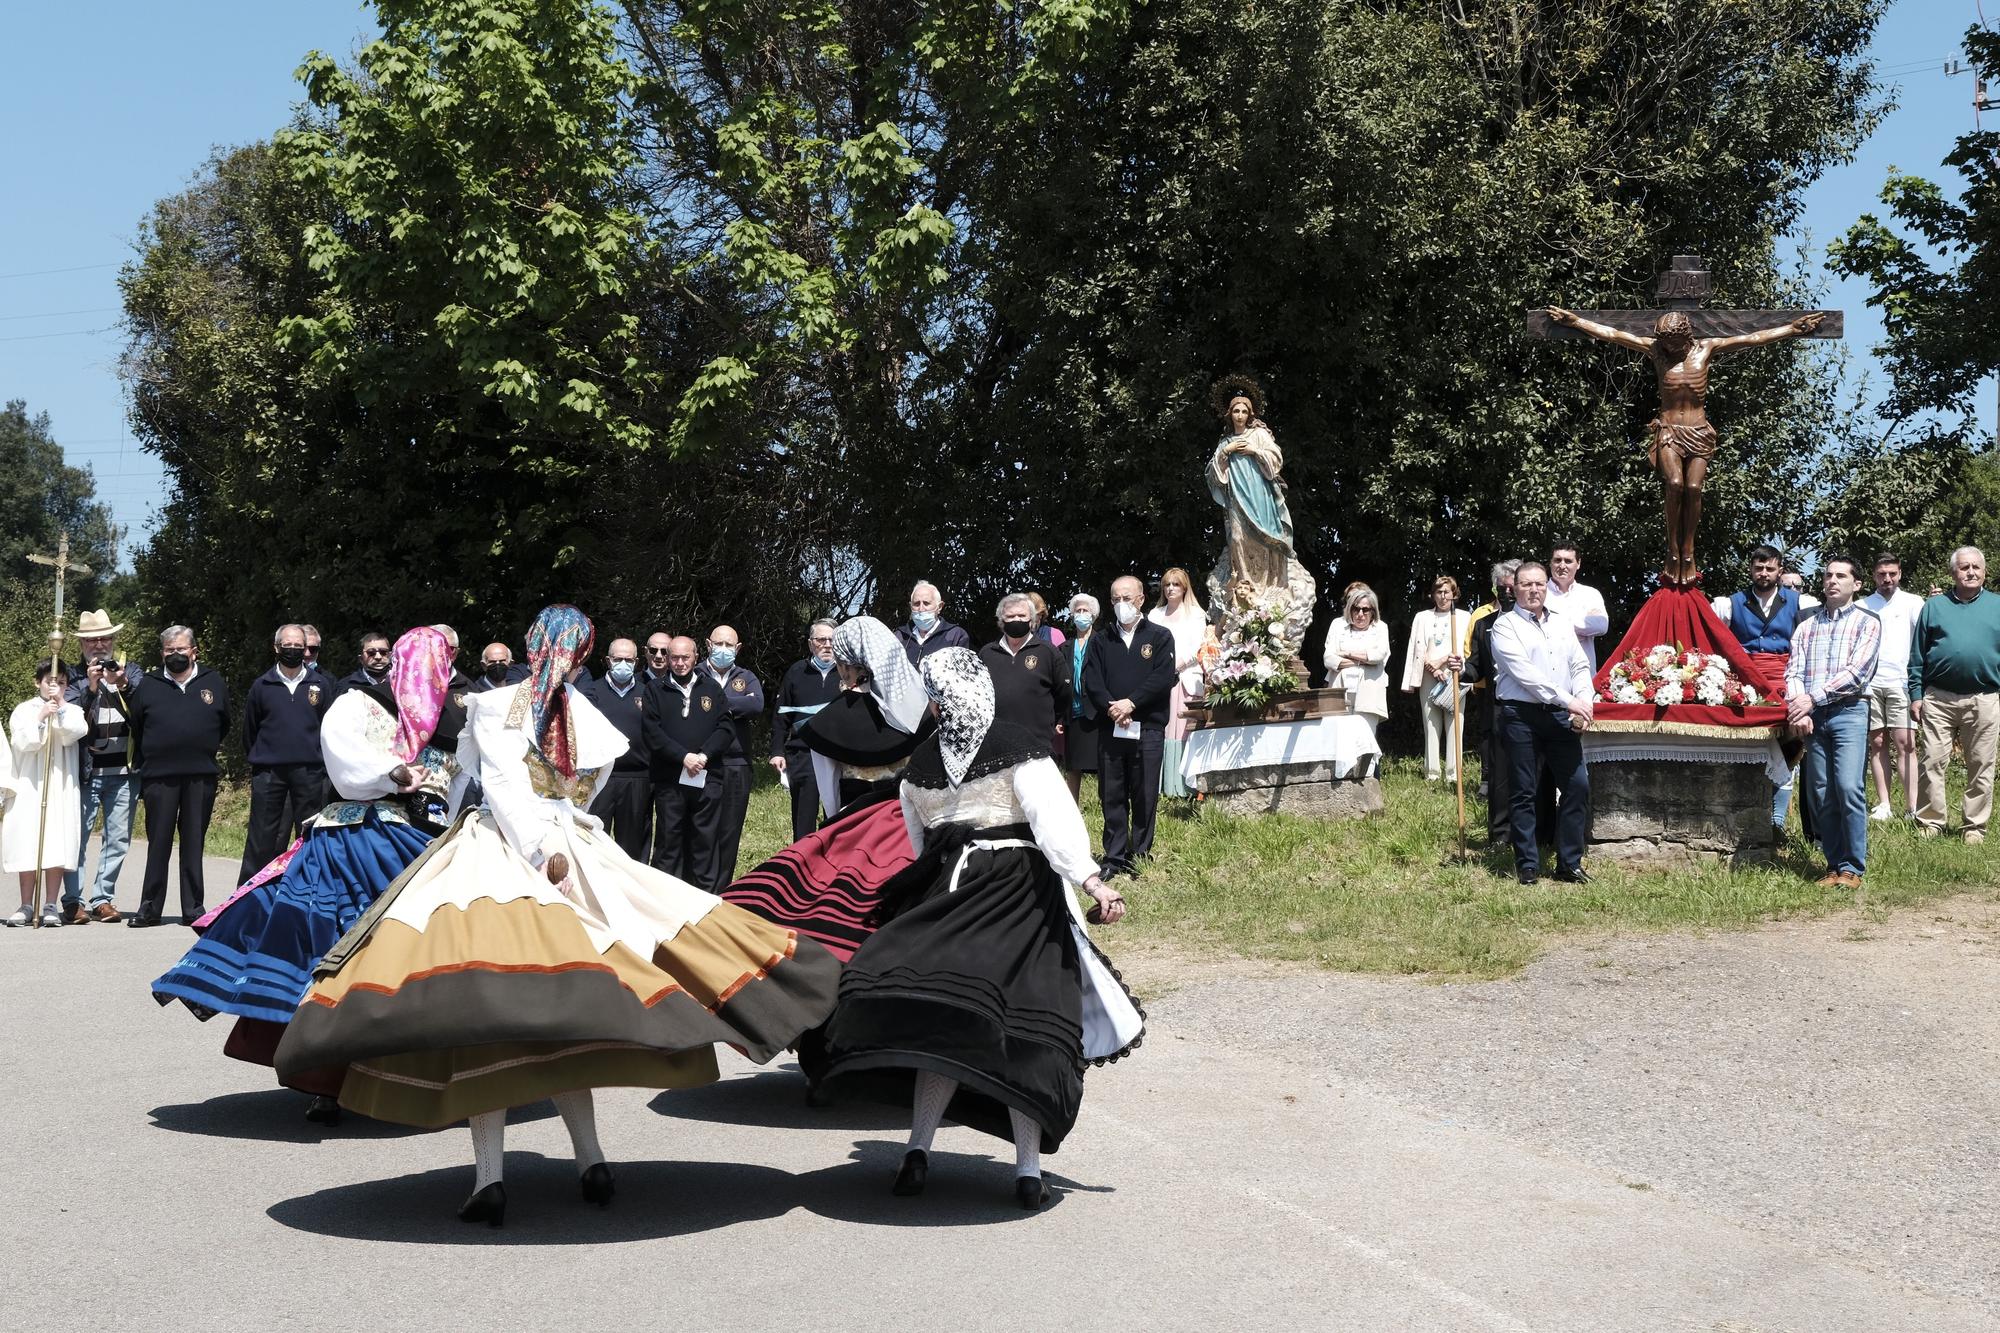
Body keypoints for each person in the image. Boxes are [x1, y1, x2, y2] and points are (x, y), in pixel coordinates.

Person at [273, 605, 840, 1225]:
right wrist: (558, 837)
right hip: (555, 849)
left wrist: (544, 843)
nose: (564, 659)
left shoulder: (515, 710)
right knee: (560, 1009)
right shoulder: (557, 712)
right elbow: (556, 791)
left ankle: (509, 1175)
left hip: (515, 855)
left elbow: (500, 790)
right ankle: (584, 1162)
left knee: (497, 1012)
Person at [818, 647, 1142, 1209]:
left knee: (944, 1028)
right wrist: (1092, 881)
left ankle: (917, 1151)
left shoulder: (919, 764)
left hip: (947, 894)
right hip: (1017, 893)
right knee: (1025, 1030)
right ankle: (1026, 1171)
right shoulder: (1019, 748)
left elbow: (921, 846)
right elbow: (1053, 825)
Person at [152, 626, 461, 1122]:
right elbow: (344, 760)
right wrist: (396, 774)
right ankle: (327, 1078)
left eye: (443, 663)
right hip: (359, 835)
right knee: (331, 947)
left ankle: (422, 1076)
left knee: (431, 954)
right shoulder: (358, 702)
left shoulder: (452, 717)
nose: (436, 674)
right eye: (430, 662)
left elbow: (466, 780)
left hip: (428, 840)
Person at [1489, 561, 1594, 885]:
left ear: (1546, 587)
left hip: (1560, 717)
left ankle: (1569, 863)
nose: (1533, 590)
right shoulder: (1504, 626)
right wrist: (1569, 700)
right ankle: (1528, 865)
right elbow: (1526, 675)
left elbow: (1579, 664)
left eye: (1539, 584)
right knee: (1524, 791)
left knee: (1578, 785)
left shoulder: (1561, 624)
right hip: (1521, 715)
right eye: (1526, 584)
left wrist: (1585, 702)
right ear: (1514, 589)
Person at [1785, 558, 1881, 887]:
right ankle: (1833, 864)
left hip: (1849, 711)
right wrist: (1799, 709)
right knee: (1821, 791)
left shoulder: (1868, 623)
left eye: (1841, 576)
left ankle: (1853, 867)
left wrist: (1811, 699)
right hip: (1814, 717)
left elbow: (1857, 673)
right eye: (1828, 575)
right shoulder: (1806, 626)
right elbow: (1793, 672)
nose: (1832, 581)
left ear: (1856, 584)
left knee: (1848, 787)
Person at [125, 626, 231, 927]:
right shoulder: (149, 684)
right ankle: (149, 908)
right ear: (162, 653)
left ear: (194, 650)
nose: (175, 655)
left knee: (194, 841)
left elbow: (225, 722)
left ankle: (194, 909)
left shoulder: (212, 681)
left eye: (181, 649)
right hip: (160, 776)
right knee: (158, 842)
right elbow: (138, 725)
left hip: (200, 775)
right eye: (169, 650)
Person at [1083, 575, 1176, 880]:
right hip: (1111, 728)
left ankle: (1140, 853)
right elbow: (1092, 680)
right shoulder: (1100, 640)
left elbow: (1162, 678)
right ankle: (1114, 856)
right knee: (1112, 792)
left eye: (1127, 598)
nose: (1121, 604)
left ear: (1141, 600)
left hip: (1147, 727)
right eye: (1116, 599)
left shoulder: (1160, 637)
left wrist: (1131, 703)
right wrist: (1113, 707)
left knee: (1145, 792)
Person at [1714, 544, 1810, 833]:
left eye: (1770, 568)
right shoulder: (1731, 603)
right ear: (1751, 569)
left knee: (1789, 745)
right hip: (1748, 684)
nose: (1764, 573)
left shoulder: (1799, 603)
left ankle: (1777, 820)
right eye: (1759, 567)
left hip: (1786, 679)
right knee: (1752, 745)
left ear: (1780, 570)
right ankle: (1747, 814)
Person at [1908, 546, 2000, 843]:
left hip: (1985, 696)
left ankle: (1974, 827)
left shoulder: (1997, 606)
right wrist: (1916, 694)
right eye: (1964, 567)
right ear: (1953, 573)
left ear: (1985, 571)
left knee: (1982, 764)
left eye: (1976, 567)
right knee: (1931, 761)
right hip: (1938, 697)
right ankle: (1930, 822)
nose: (1971, 572)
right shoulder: (1934, 607)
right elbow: (1917, 655)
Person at [239, 623, 335, 880]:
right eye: (287, 645)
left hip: (310, 772)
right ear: (276, 648)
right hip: (269, 772)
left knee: (310, 835)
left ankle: (306, 892)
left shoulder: (321, 685)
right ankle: (251, 897)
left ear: (305, 650)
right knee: (263, 837)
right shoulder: (262, 685)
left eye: (297, 646)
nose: (292, 650)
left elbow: (329, 730)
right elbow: (250, 730)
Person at [61, 608, 135, 924]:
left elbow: (143, 706)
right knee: (76, 838)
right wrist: (91, 689)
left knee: (117, 839)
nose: (99, 645)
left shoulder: (129, 670)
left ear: (114, 640)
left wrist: (121, 683)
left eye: (105, 638)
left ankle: (103, 898)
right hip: (85, 772)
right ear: (82, 645)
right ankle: (72, 901)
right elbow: (70, 717)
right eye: (92, 640)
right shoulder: (72, 677)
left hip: (124, 772)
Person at [4, 660, 89, 928]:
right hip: (30, 783)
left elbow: (74, 733)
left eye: (62, 683)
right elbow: (22, 742)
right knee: (28, 842)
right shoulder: (24, 710)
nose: (55, 688)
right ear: (38, 682)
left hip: (59, 783)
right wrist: (40, 717)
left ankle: (51, 903)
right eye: (50, 682)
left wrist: (60, 708)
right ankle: (26, 903)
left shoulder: (72, 709)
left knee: (56, 841)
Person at [643, 635, 730, 888]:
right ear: (668, 659)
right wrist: (683, 757)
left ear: (696, 657)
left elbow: (725, 728)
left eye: (685, 657)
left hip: (707, 776)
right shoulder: (655, 690)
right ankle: (665, 898)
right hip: (670, 780)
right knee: (669, 842)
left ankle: (705, 899)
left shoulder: (712, 689)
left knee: (705, 840)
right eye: (674, 657)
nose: (680, 663)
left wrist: (703, 756)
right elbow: (652, 732)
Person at [1207, 377, 1296, 610]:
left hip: (1259, 494)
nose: (1239, 415)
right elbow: (1212, 473)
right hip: (1237, 496)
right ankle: (1243, 582)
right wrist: (1226, 452)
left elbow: (1276, 458)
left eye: (1243, 411)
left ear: (1250, 414)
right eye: (1235, 411)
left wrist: (1255, 451)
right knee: (1237, 537)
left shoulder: (1258, 435)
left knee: (1265, 538)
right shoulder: (1225, 441)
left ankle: (1267, 586)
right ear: (1230, 414)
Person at [1860, 552, 1925, 821]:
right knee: (1877, 743)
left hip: (1901, 681)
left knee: (1905, 743)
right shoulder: (1862, 605)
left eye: (1892, 574)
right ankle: (1884, 804)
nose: (1887, 579)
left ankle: (1912, 807)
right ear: (1873, 576)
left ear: (1900, 573)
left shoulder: (1913, 602)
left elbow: (1924, 640)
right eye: (1882, 574)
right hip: (1870, 683)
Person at [702, 624, 765, 887]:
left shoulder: (746, 676)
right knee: (704, 828)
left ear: (737, 649)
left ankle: (722, 889)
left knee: (729, 829)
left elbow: (756, 704)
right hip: (703, 763)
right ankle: (700, 885)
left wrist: (716, 704)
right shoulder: (695, 674)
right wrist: (734, 704)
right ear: (708, 645)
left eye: (729, 645)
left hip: (737, 764)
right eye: (719, 644)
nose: (724, 650)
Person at [769, 619, 843, 840]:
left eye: (832, 640)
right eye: (821, 640)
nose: (827, 645)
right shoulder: (796, 672)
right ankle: (801, 866)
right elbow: (781, 715)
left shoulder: (848, 671)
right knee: (803, 820)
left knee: (837, 817)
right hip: (803, 754)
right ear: (811, 644)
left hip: (839, 754)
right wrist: (777, 751)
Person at [583, 637, 652, 861]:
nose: (623, 664)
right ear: (607, 660)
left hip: (637, 778)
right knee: (593, 839)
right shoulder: (591, 693)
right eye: (618, 659)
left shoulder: (649, 694)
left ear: (637, 661)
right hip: (601, 776)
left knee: (632, 845)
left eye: (628, 659)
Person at [1401, 576, 1473, 783]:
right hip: (1429, 675)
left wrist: (1449, 664)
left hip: (1455, 676)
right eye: (1439, 592)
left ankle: (1453, 775)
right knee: (1431, 724)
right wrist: (1434, 668)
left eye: (1447, 592)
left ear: (1454, 594)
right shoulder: (1422, 617)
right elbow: (1417, 648)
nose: (1443, 596)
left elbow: (1466, 648)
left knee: (1455, 725)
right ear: (1433, 595)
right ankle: (1432, 773)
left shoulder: (1464, 616)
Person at [980, 592, 1072, 752]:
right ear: (1001, 621)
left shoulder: (1048, 652)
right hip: (995, 746)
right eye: (1011, 616)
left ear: (1033, 620)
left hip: (1037, 743)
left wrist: (1049, 722)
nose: (1016, 620)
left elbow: (1063, 694)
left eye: (1022, 615)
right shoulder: (987, 653)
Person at [1146, 568, 1207, 799]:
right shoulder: (1154, 614)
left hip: (1186, 679)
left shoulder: (1196, 614)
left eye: (1176, 584)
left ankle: (1184, 786)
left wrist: (1178, 665)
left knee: (1184, 730)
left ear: (1185, 588)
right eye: (1167, 584)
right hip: (1158, 681)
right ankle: (1161, 785)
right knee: (1160, 729)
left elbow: (1199, 646)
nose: (1171, 588)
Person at [1322, 584, 1391, 769]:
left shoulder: (1381, 628)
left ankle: (1367, 780)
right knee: (1339, 737)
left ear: (1373, 612)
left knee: (1365, 738)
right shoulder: (1338, 625)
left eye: (1365, 609)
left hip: (1368, 692)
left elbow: (1377, 656)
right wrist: (1362, 659)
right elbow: (1329, 659)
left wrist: (1346, 653)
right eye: (1356, 608)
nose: (1360, 614)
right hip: (1340, 690)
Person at [1058, 593, 1102, 802]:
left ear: (1093, 615)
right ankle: (1071, 808)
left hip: (1096, 712)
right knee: (1073, 766)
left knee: (1103, 765)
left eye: (1085, 611)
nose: (1081, 615)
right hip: (1072, 712)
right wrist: (1058, 716)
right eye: (1078, 611)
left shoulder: (1103, 643)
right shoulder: (1064, 647)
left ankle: (1107, 804)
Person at [1544, 543, 1610, 671]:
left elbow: (1602, 626)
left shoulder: (1590, 594)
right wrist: (1584, 622)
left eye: (1568, 561)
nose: (1562, 566)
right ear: (1550, 563)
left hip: (1584, 674)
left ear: (1578, 564)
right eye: (1557, 560)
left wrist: (1552, 621)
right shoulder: (1539, 593)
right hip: (1550, 675)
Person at [895, 580, 971, 664]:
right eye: (916, 604)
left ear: (939, 607)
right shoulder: (899, 636)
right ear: (910, 606)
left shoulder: (955, 636)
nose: (921, 609)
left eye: (926, 603)